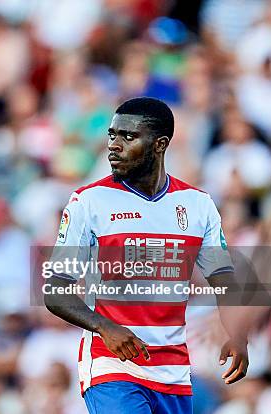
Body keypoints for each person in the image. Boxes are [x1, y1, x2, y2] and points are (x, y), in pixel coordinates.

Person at [45, 97, 250, 414]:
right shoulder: (89, 202)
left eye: (128, 137)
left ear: (160, 144)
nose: (114, 145)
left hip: (174, 371)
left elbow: (222, 276)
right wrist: (104, 327)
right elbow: (56, 290)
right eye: (112, 134)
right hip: (112, 365)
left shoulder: (198, 205)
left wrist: (238, 333)